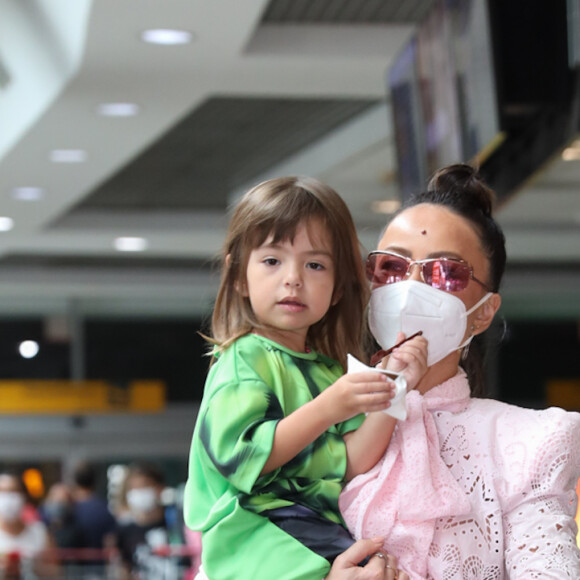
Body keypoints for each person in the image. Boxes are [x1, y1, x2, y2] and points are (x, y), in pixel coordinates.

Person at [339, 163, 580, 578]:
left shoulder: (526, 444)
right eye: (391, 267)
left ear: (483, 314)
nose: (409, 287)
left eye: (445, 273)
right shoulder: (313, 415)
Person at [184, 176, 427, 580]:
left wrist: (395, 384)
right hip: (254, 534)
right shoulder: (243, 357)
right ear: (239, 275)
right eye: (272, 261)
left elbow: (352, 460)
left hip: (305, 532)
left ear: (337, 289)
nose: (293, 278)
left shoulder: (329, 371)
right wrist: (330, 406)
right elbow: (243, 458)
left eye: (315, 265)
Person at [115, 462, 188, 579]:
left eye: (144, 486)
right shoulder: (125, 531)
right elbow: (124, 568)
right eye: (133, 489)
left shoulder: (176, 523)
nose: (138, 494)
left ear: (159, 488)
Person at [0, 470, 57, 578]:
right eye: (2, 492)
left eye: (13, 492)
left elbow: (55, 573)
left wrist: (35, 566)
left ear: (23, 496)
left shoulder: (40, 532)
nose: (8, 498)